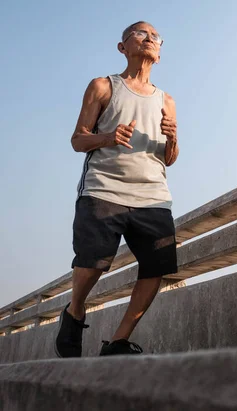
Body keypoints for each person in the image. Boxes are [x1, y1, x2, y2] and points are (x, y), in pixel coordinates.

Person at [54, 21, 179, 357]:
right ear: (122, 47)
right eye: (141, 33)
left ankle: (118, 340)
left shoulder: (167, 101)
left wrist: (173, 138)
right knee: (93, 261)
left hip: (152, 196)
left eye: (156, 36)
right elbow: (78, 139)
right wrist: (109, 137)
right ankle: (75, 310)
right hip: (103, 189)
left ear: (160, 52)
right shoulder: (103, 86)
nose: (150, 38)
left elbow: (169, 158)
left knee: (158, 266)